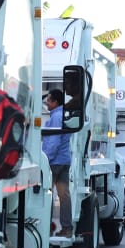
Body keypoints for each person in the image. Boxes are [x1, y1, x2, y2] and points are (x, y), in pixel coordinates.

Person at [41, 88, 72, 237]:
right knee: (64, 196)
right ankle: (67, 228)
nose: (46, 102)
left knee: (46, 194)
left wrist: (45, 159)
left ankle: (47, 227)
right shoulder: (63, 115)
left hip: (54, 162)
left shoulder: (55, 117)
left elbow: (53, 141)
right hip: (64, 160)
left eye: (48, 99)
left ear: (55, 102)